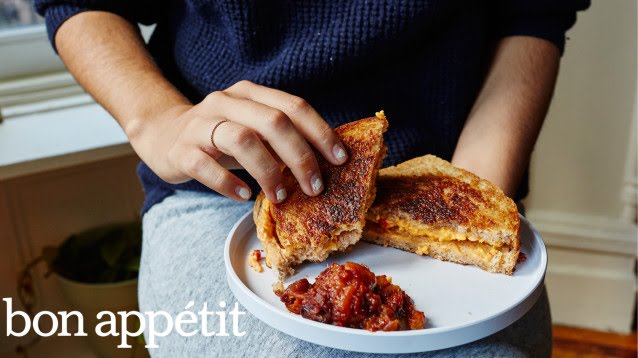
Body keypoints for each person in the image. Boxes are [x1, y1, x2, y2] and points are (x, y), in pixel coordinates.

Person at [35, 1, 589, 356]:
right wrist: (154, 119)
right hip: (221, 185)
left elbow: (532, 13)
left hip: (455, 164)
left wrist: (469, 202)